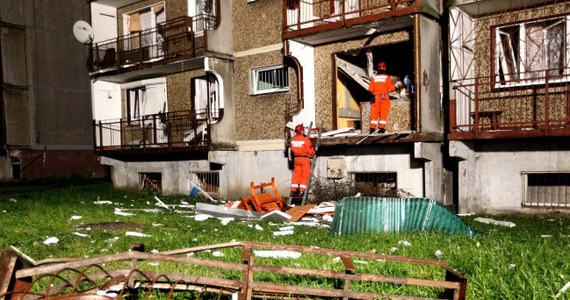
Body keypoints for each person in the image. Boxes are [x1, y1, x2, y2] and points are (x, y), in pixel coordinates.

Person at [368, 61, 398, 134]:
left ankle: (372, 129)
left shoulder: (373, 78)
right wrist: (396, 87)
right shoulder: (386, 77)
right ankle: (381, 128)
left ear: (378, 69)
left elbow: (370, 90)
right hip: (384, 96)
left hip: (376, 97)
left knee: (374, 112)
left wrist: (376, 94)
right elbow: (392, 89)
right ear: (384, 68)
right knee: (383, 111)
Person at [290, 124, 315, 202]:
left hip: (296, 159)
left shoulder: (293, 140)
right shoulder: (305, 140)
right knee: (305, 175)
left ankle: (293, 190)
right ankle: (301, 190)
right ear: (302, 131)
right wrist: (314, 152)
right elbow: (311, 152)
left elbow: (292, 150)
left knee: (297, 174)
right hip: (304, 158)